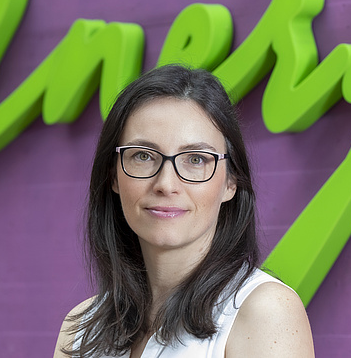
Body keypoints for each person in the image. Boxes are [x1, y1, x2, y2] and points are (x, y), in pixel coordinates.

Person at [54, 64, 314, 358]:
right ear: (113, 175)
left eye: (196, 159)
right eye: (143, 156)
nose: (166, 183)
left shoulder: (264, 311)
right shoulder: (82, 328)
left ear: (231, 182)